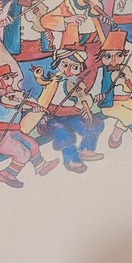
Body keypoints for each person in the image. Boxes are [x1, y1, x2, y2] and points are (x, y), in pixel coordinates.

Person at [0, 65, 59, 188]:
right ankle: (5, 174)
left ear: (11, 78)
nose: (3, 84)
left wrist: (36, 109)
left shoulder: (18, 95)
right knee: (22, 152)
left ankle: (41, 166)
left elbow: (28, 106)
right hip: (0, 135)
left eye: (6, 78)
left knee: (33, 144)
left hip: (16, 131)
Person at [34, 45, 103, 174]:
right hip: (54, 116)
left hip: (73, 113)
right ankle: (71, 159)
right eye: (65, 65)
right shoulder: (52, 81)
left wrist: (85, 109)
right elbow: (43, 102)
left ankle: (86, 149)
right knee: (63, 132)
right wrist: (42, 116)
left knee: (93, 124)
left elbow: (84, 99)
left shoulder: (77, 83)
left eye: (74, 67)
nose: (68, 70)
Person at [91, 29, 132, 149]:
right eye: (108, 56)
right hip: (110, 104)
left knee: (125, 119)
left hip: (127, 100)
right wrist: (97, 95)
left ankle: (115, 137)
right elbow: (95, 87)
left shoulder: (125, 69)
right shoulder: (101, 71)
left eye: (118, 55)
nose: (114, 60)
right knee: (131, 116)